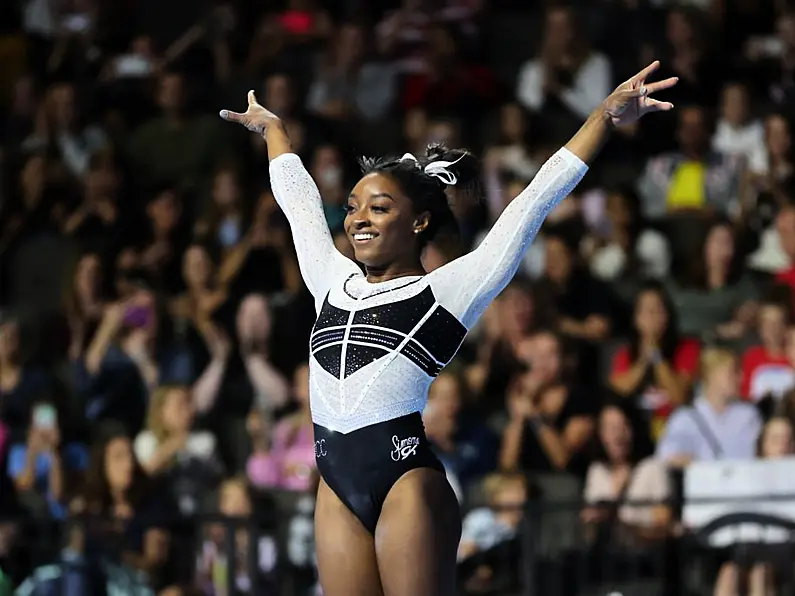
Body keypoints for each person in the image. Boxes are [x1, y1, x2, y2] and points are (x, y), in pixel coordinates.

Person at [219, 61, 677, 596]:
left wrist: (604, 115)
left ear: (418, 222)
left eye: (379, 207)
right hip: (335, 486)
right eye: (353, 207)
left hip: (405, 484)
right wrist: (275, 131)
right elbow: (297, 203)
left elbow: (533, 203)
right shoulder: (331, 278)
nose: (358, 218)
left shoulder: (449, 291)